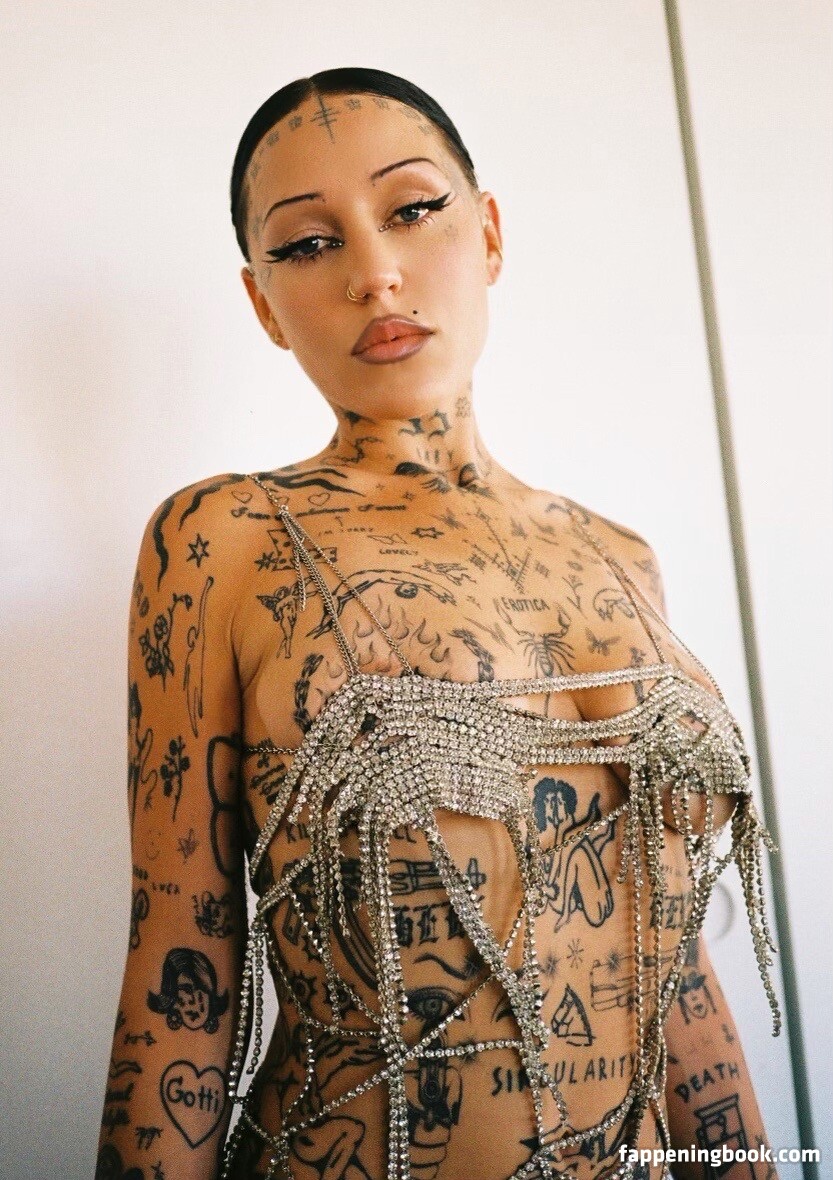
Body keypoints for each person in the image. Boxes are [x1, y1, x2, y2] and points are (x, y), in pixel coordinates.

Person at [96, 67, 782, 1180]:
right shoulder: (222, 542)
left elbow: (673, 971)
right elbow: (180, 966)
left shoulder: (619, 558)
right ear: (263, 303)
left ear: (489, 233)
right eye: (308, 243)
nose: (374, 271)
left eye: (412, 208)